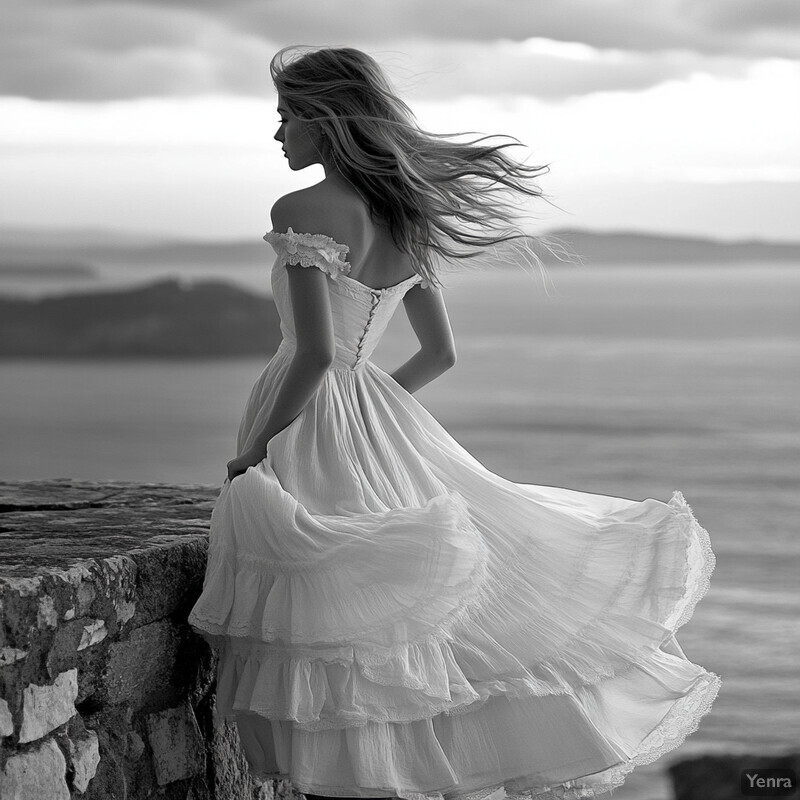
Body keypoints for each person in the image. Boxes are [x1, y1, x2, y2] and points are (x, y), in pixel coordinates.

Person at [188, 46, 721, 800]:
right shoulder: (407, 219)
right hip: (375, 412)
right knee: (388, 618)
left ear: (325, 122)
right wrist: (377, 411)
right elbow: (440, 354)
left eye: (285, 117)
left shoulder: (300, 212)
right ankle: (405, 777)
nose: (277, 135)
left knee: (332, 610)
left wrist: (254, 449)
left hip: (308, 417)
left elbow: (311, 354)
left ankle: (350, 779)